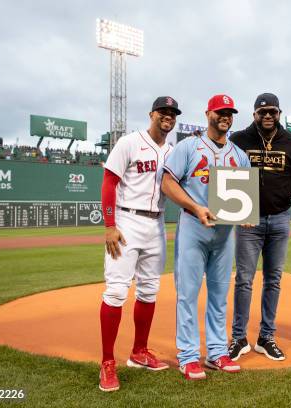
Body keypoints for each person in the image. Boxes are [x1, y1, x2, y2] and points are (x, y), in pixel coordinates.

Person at [161, 94, 250, 380]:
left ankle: (216, 352)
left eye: (230, 112)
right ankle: (188, 356)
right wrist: (195, 206)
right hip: (193, 227)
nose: (225, 116)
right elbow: (167, 183)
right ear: (208, 113)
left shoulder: (239, 155)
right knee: (187, 295)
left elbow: (245, 198)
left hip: (225, 234)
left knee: (219, 295)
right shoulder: (188, 146)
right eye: (220, 111)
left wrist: (247, 213)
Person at [98, 96, 180, 392]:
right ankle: (108, 362)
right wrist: (110, 226)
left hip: (156, 224)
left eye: (172, 113)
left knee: (148, 290)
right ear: (152, 114)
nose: (168, 116)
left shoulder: (172, 150)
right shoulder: (130, 142)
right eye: (163, 111)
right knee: (117, 291)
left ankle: (139, 351)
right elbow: (109, 182)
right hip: (127, 221)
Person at [228, 92, 291, 361]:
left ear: (278, 113)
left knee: (273, 281)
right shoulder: (239, 140)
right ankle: (239, 338)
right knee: (244, 280)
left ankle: (266, 337)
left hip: (279, 219)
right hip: (247, 221)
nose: (267, 116)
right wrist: (232, 214)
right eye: (262, 112)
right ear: (254, 114)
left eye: (272, 112)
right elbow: (227, 174)